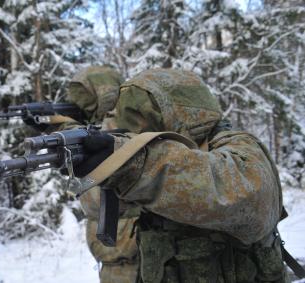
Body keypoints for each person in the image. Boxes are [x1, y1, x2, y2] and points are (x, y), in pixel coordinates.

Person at [74, 68, 289, 282]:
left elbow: (245, 196)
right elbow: (94, 205)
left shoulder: (238, 146)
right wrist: (100, 164)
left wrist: (136, 165)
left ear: (176, 113)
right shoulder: (161, 162)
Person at [64, 66, 140, 283]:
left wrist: (70, 131)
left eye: (87, 99)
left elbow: (93, 195)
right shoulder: (105, 124)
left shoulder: (124, 122)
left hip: (131, 255)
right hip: (114, 257)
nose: (83, 105)